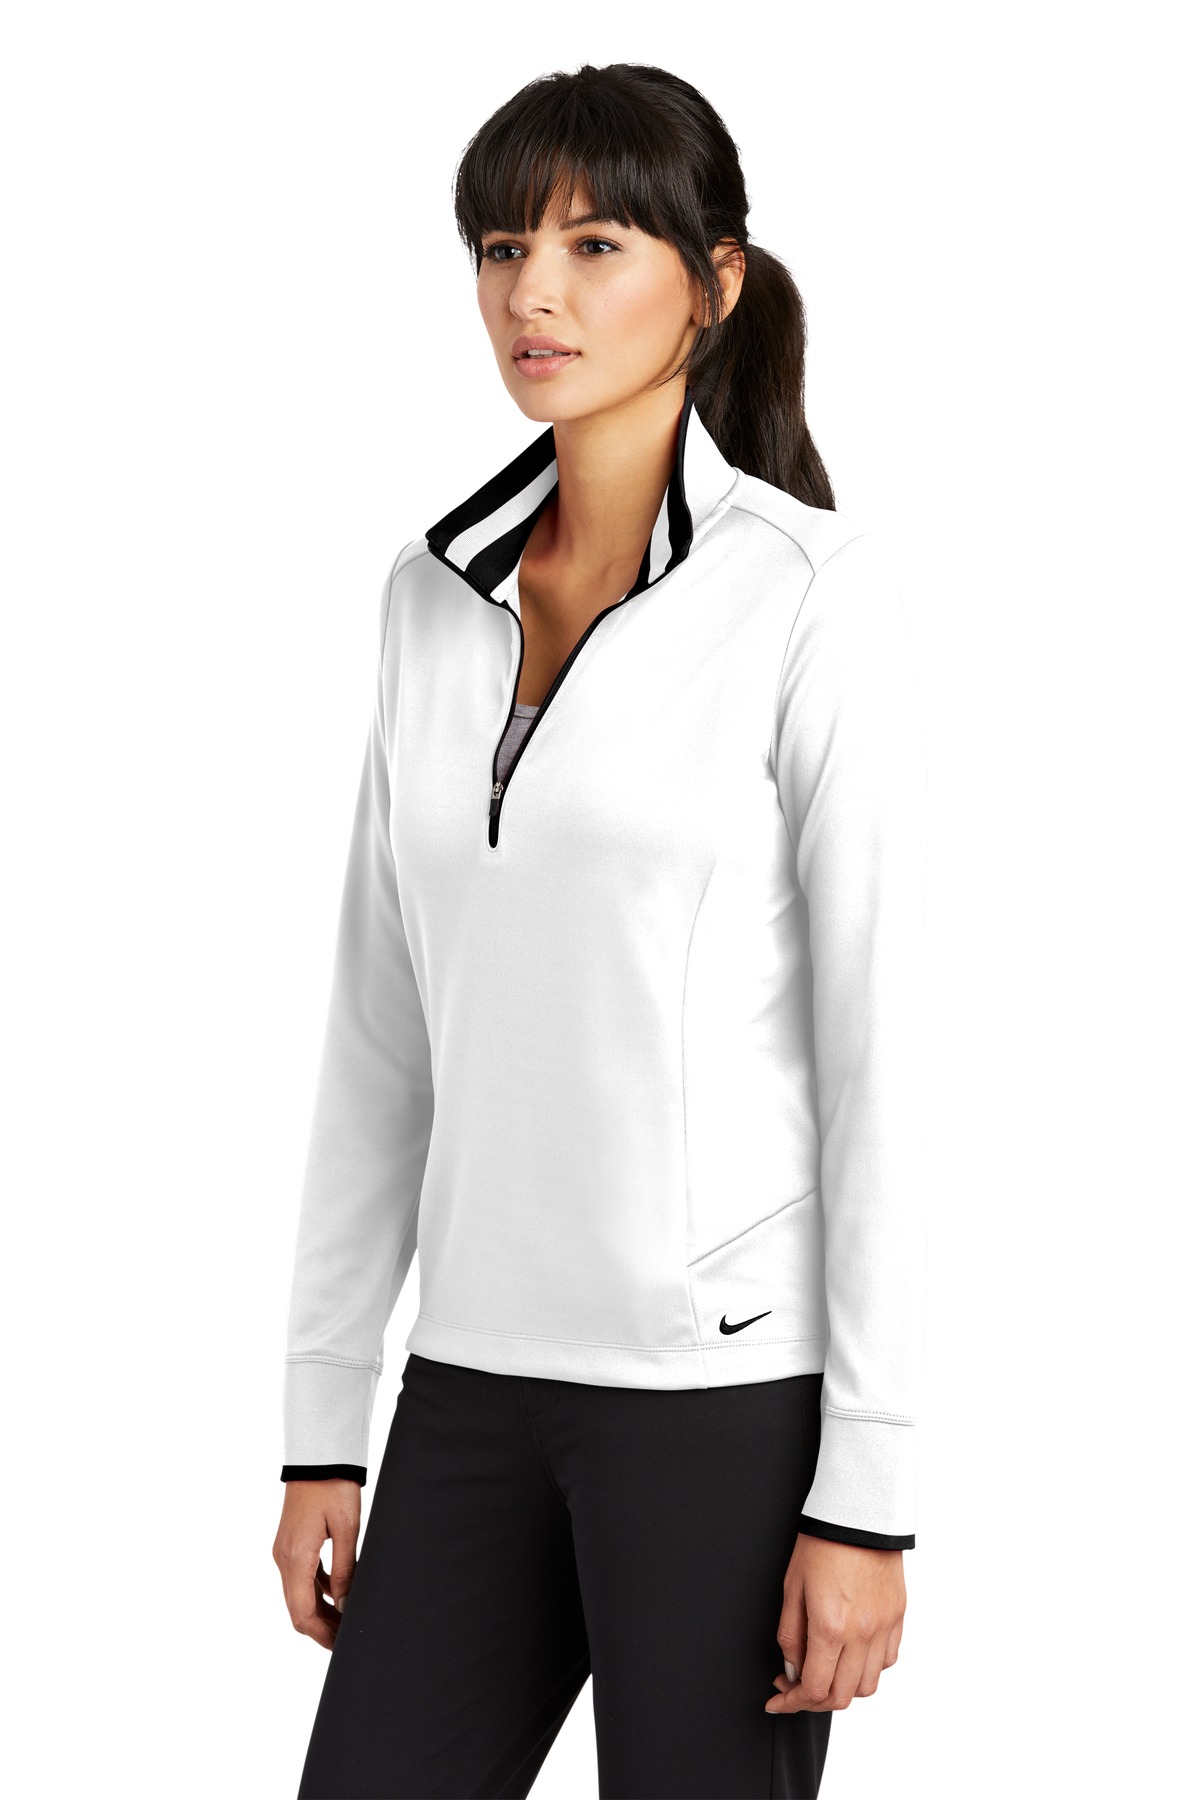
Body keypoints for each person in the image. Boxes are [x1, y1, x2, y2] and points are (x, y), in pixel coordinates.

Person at [271, 60, 928, 1800]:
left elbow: (885, 1066)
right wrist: (323, 1421)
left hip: (720, 1406)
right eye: (502, 247)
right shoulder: (429, 598)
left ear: (713, 283)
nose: (533, 295)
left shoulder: (807, 596)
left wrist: (867, 1493)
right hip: (470, 1381)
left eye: (594, 244)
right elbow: (378, 1032)